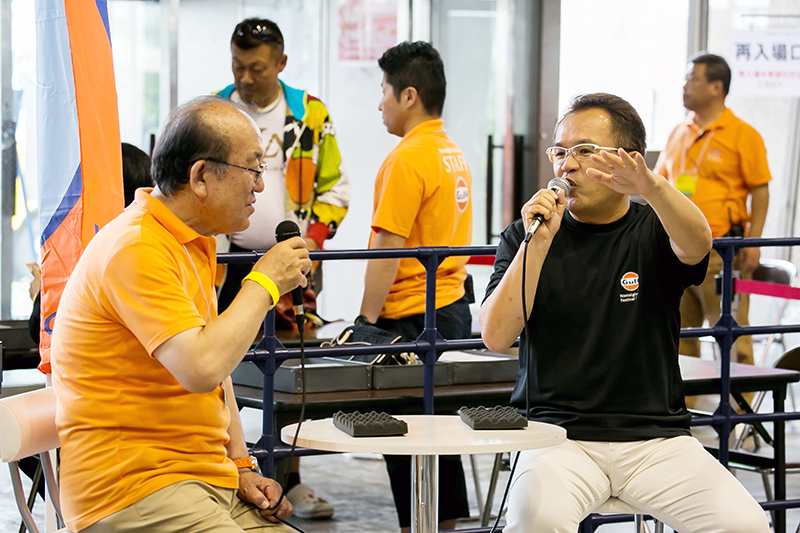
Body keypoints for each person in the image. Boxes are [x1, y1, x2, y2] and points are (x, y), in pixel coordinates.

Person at [479, 93, 769, 532]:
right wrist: (535, 245)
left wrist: (652, 187)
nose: (566, 165)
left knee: (743, 524)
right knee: (533, 518)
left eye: (584, 151)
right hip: (558, 436)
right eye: (560, 152)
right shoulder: (527, 234)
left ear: (627, 160)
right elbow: (496, 336)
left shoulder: (655, 227)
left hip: (657, 439)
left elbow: (697, 245)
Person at [51, 96, 311, 533]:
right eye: (254, 169)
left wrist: (241, 465)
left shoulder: (192, 240)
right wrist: (264, 283)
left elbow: (218, 371)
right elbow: (201, 367)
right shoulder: (137, 248)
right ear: (201, 176)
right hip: (132, 489)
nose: (261, 187)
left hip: (200, 477)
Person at [215, 17, 350, 517]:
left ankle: (289, 478)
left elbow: (335, 190)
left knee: (290, 373)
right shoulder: (216, 109)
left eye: (256, 69)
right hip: (224, 265)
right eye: (237, 67)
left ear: (281, 64)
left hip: (291, 260)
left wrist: (308, 244)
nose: (245, 79)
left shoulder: (309, 114)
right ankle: (225, 472)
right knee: (220, 371)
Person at [356, 41, 472, 533]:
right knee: (442, 432)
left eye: (382, 90)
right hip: (451, 308)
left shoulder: (407, 158)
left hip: (408, 317)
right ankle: (449, 525)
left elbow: (387, 249)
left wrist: (364, 324)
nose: (378, 102)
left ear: (407, 95)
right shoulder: (451, 153)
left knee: (402, 436)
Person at [655, 53, 771, 367]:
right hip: (676, 250)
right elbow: (659, 185)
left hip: (722, 252)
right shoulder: (679, 132)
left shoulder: (742, 135)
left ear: (717, 87)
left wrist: (754, 244)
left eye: (693, 78)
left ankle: (740, 414)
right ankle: (684, 408)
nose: (684, 85)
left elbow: (760, 190)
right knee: (679, 338)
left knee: (732, 339)